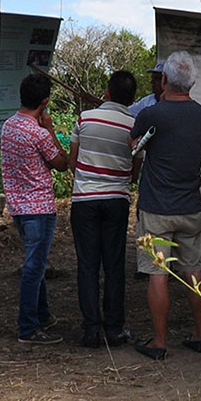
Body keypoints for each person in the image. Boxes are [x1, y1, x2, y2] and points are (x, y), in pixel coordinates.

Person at [131, 51, 201, 360]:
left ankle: (159, 341)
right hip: (190, 205)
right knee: (195, 270)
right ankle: (200, 334)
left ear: (164, 80)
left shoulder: (153, 114)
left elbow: (134, 145)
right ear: (191, 82)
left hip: (157, 208)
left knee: (157, 273)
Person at [69, 69, 137, 348]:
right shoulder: (134, 124)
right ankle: (114, 327)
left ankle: (90, 330)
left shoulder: (85, 118)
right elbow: (135, 169)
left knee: (87, 265)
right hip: (117, 200)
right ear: (132, 98)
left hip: (84, 200)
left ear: (107, 93)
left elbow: (73, 162)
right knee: (114, 265)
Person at [0, 72, 69, 345]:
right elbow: (62, 162)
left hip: (18, 206)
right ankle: (28, 326)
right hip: (39, 207)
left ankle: (43, 314)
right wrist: (50, 129)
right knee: (34, 267)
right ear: (45, 102)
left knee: (35, 264)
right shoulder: (38, 133)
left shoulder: (8, 126)